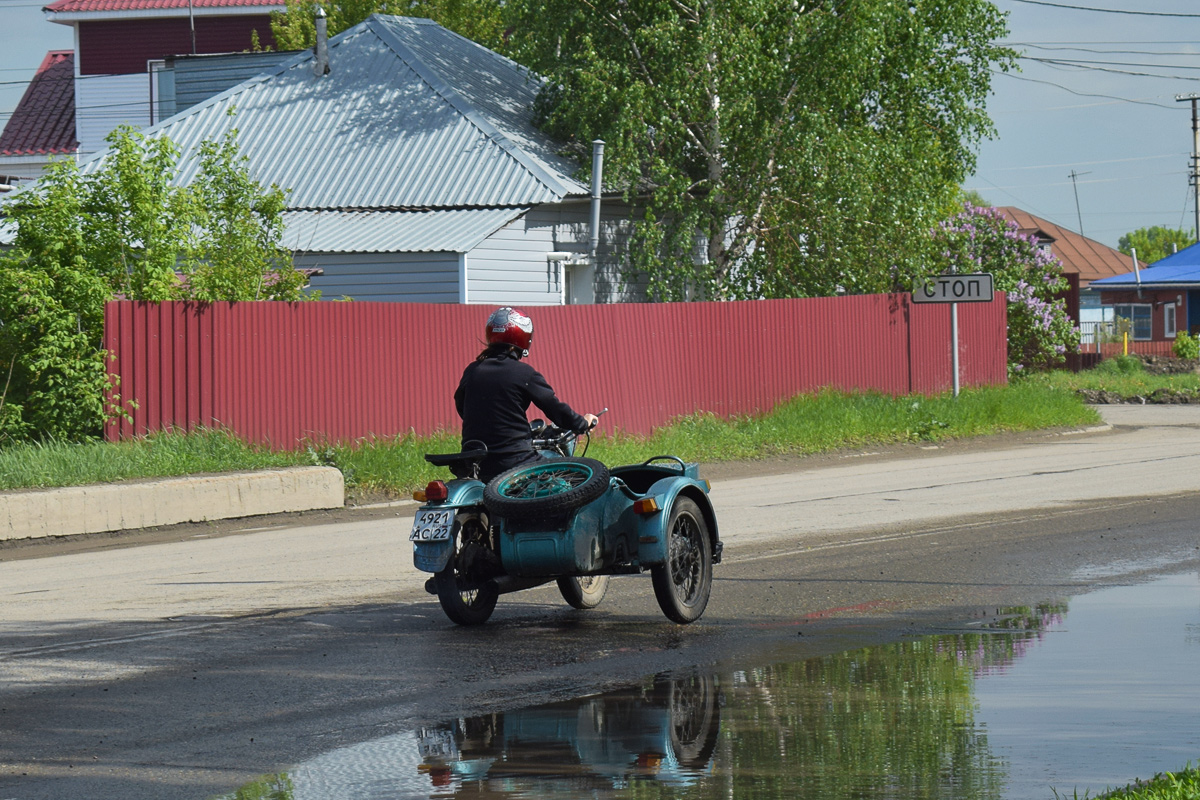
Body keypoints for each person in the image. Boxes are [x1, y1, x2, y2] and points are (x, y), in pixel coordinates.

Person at [455, 306, 598, 482]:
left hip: (473, 462)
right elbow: (554, 408)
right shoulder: (524, 373)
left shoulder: (472, 370)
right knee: (577, 478)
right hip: (515, 460)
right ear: (523, 337)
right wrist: (582, 423)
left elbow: (461, 406)